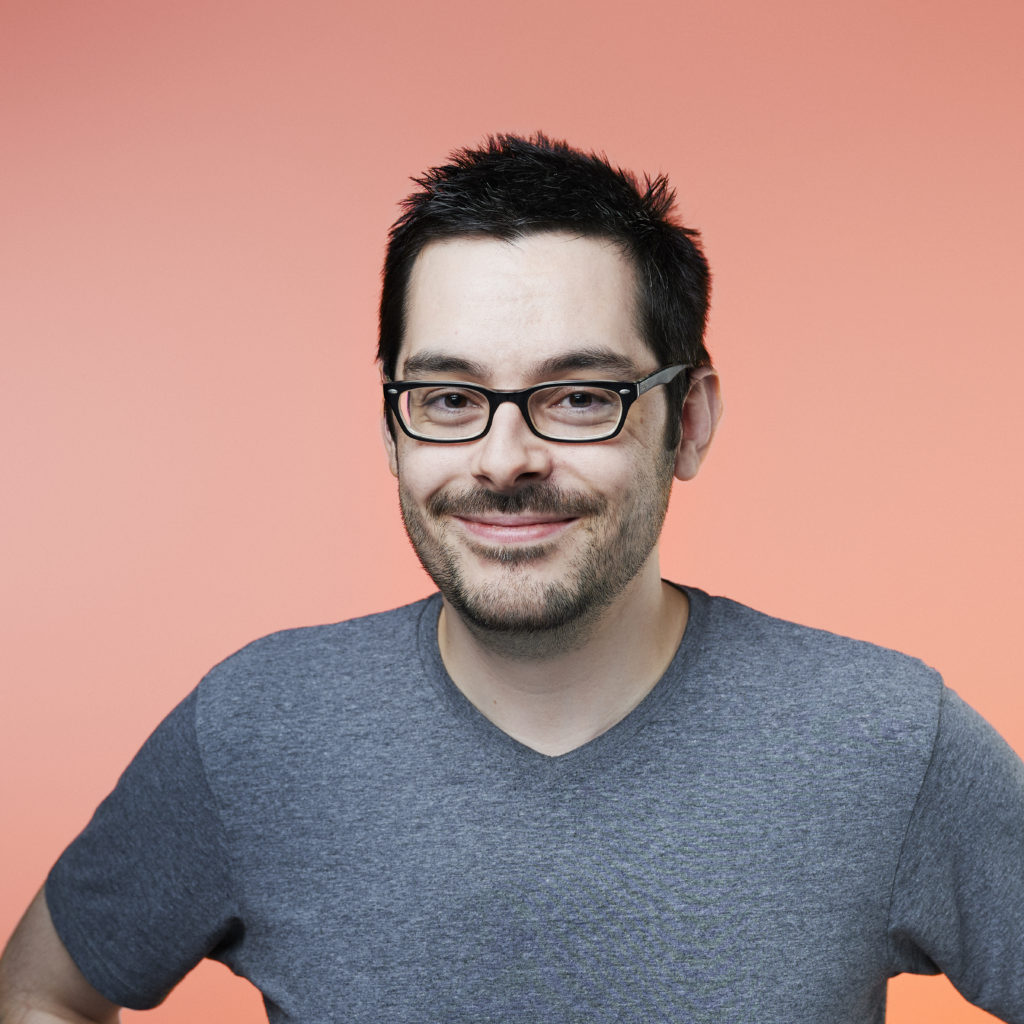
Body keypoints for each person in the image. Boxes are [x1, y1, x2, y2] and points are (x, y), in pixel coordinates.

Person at [1, 133, 1022, 1024]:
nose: (502, 458)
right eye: (448, 397)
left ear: (691, 421)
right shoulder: (255, 731)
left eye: (578, 396)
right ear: (392, 424)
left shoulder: (889, 743)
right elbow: (41, 990)